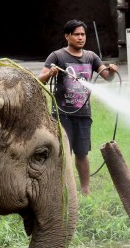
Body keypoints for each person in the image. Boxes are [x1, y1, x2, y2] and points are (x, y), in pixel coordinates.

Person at [39, 19, 119, 195]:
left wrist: (111, 70)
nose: (81, 38)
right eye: (76, 34)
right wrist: (50, 73)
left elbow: (107, 76)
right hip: (62, 114)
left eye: (83, 34)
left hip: (83, 114)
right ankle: (63, 190)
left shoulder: (91, 57)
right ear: (67, 36)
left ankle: (85, 189)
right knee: (63, 153)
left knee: (82, 153)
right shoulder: (57, 56)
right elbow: (40, 79)